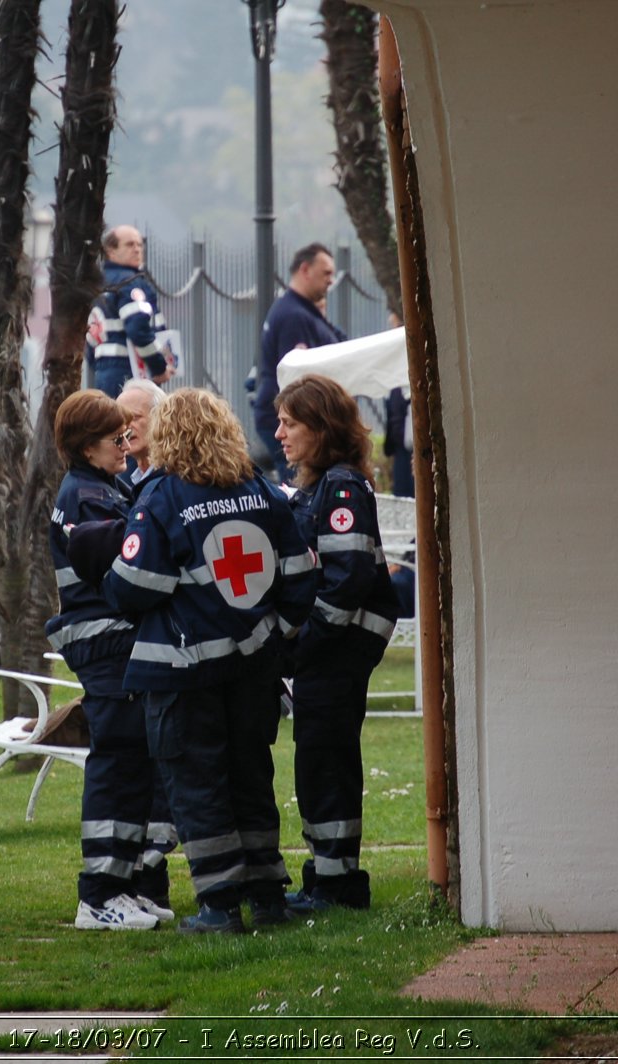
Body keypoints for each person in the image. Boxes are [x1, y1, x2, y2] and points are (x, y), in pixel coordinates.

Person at [103, 388, 316, 933]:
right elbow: (299, 577)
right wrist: (273, 635)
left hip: (184, 674)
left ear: (170, 433)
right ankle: (268, 898)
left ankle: (219, 905)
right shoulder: (263, 492)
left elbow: (131, 587)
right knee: (251, 777)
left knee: (197, 785)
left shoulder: (163, 498)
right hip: (253, 671)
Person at [46, 390, 176, 930]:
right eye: (114, 439)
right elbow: (121, 565)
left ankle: (122, 885)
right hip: (104, 642)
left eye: (126, 435)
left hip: (113, 641)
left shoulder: (103, 486)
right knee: (118, 761)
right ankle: (99, 894)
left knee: (135, 762)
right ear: (85, 445)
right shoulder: (86, 496)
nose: (125, 446)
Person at [273, 374, 401, 912]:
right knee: (320, 761)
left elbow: (346, 579)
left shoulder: (342, 487)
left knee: (326, 763)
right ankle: (328, 873)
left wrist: (306, 644)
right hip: (329, 651)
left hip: (336, 651)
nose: (279, 433)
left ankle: (338, 884)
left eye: (289, 422)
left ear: (320, 427)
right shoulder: (323, 485)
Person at [252, 243, 344, 482]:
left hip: (288, 417)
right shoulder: (294, 316)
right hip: (291, 420)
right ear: (305, 269)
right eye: (326, 273)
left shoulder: (300, 311)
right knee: (301, 487)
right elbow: (296, 384)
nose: (331, 280)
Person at [86, 226, 175, 399]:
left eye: (140, 245)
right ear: (110, 251)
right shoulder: (129, 282)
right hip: (130, 370)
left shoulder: (96, 283)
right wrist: (159, 367)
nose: (137, 249)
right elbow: (138, 328)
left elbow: (89, 336)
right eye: (129, 245)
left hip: (104, 372)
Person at [115, 378, 166, 491]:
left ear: (160, 419)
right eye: (121, 420)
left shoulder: (174, 478)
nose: (126, 427)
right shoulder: (120, 480)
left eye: (135, 418)